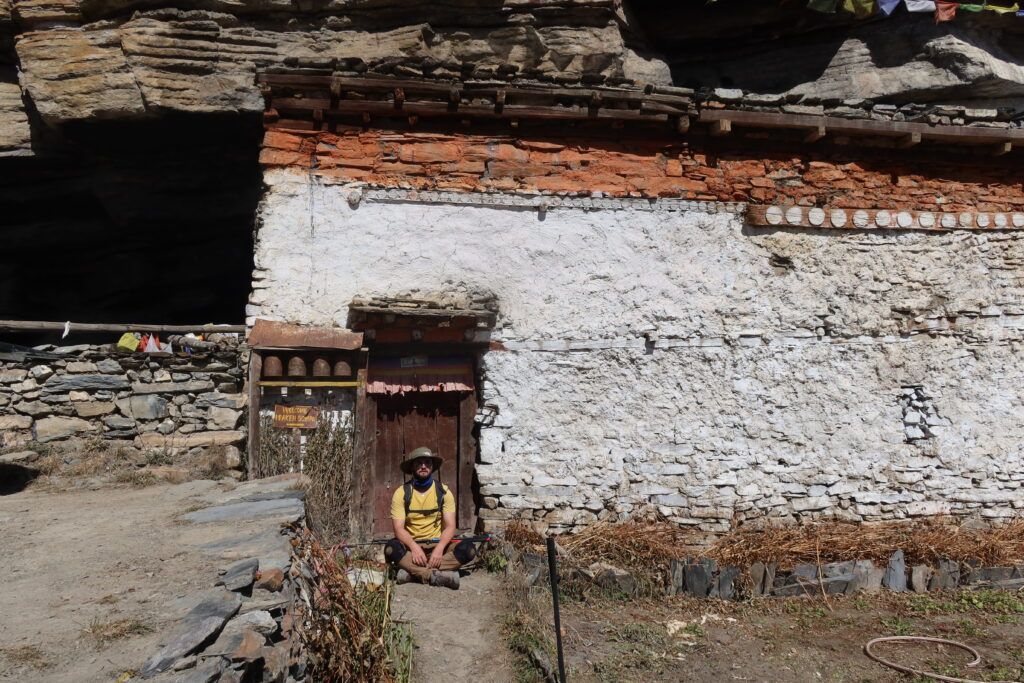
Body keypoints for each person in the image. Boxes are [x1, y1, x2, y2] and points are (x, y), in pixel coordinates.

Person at [384, 446, 476, 589]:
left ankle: (412, 573)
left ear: (432, 467)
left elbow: (451, 526)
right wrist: (414, 547)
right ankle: (434, 576)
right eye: (419, 463)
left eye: (427, 463)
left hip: (437, 546)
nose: (423, 466)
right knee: (391, 549)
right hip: (411, 548)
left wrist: (439, 549)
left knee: (468, 550)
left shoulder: (444, 492)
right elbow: (398, 528)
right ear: (412, 467)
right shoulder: (401, 493)